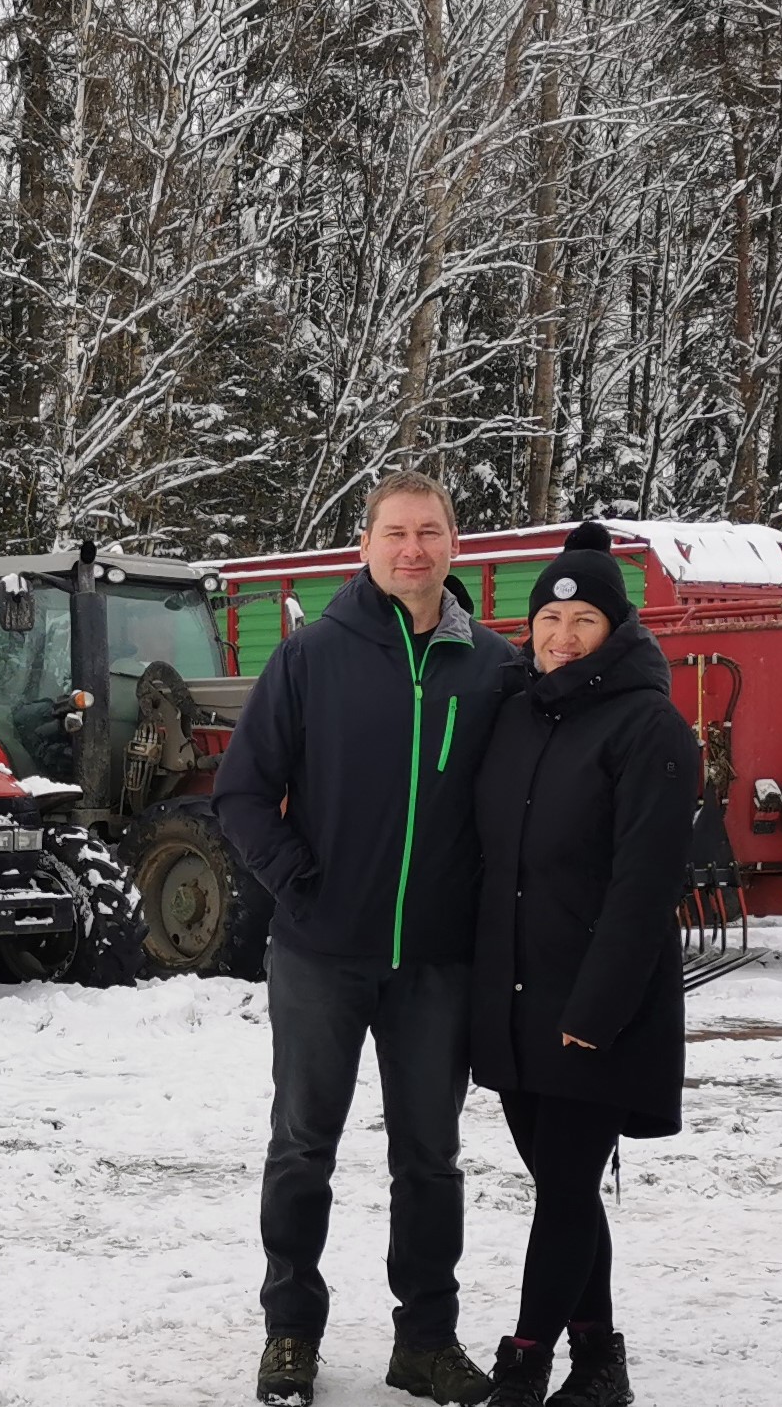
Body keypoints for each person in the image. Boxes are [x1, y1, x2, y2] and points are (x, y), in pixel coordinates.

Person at [216, 472, 521, 1407]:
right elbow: (238, 791)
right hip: (320, 955)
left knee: (428, 1157)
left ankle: (424, 1340)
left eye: (430, 532)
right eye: (395, 532)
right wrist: (300, 882)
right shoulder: (312, 657)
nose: (412, 549)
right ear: (365, 543)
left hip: (436, 961)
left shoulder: (495, 668)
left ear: (455, 546)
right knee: (302, 1145)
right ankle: (290, 1332)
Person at [468, 522, 693, 1407]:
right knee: (562, 1186)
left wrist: (593, 1011)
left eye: (584, 619)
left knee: (562, 1190)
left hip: (598, 1005)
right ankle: (599, 1361)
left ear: (615, 629)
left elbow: (645, 887)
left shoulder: (651, 729)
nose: (561, 636)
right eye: (549, 619)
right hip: (513, 996)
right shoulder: (516, 712)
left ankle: (524, 1365)